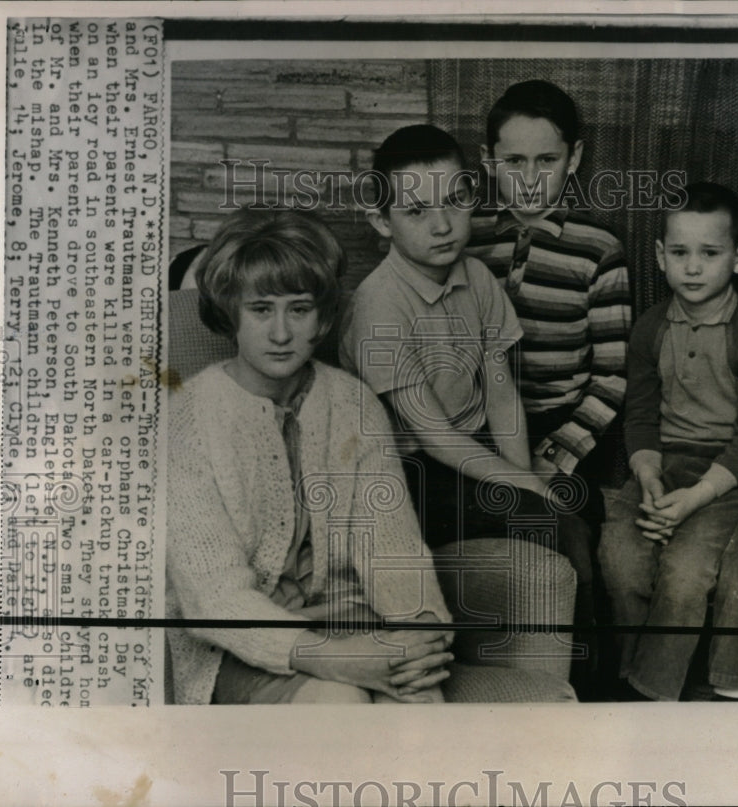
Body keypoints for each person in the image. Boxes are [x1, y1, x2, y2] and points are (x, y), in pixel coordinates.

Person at [166, 208, 454, 705]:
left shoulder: (351, 401)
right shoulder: (188, 416)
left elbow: (393, 550)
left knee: (421, 705)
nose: (281, 333)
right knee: (339, 706)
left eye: (298, 309)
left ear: (321, 316)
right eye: (260, 309)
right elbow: (213, 599)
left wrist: (420, 632)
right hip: (238, 647)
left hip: (356, 629)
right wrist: (336, 659)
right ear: (231, 311)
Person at [337, 124, 595, 665]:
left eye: (455, 201)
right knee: (550, 517)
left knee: (570, 511)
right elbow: (431, 435)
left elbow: (502, 396)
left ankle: (580, 678)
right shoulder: (377, 305)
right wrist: (524, 485)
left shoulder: (476, 276)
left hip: (469, 449)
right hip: (411, 474)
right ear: (381, 221)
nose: (442, 225)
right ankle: (579, 678)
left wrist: (525, 480)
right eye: (416, 212)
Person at [598, 182, 738, 701]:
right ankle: (629, 678)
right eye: (679, 253)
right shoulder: (651, 328)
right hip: (658, 467)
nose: (692, 267)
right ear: (660, 256)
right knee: (621, 560)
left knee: (684, 574)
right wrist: (648, 476)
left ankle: (652, 694)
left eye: (710, 253)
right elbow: (641, 415)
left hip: (723, 479)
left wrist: (694, 499)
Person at [465, 79, 631, 527]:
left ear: (574, 158)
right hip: (475, 429)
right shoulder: (465, 238)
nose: (530, 178)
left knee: (557, 527)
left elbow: (613, 376)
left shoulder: (598, 249)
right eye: (514, 161)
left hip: (562, 432)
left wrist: (556, 455)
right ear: (488, 161)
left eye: (547, 161)